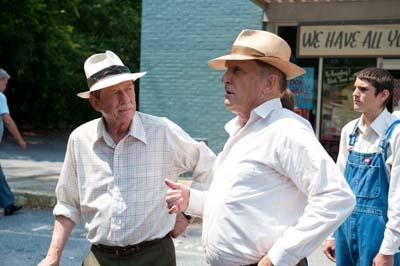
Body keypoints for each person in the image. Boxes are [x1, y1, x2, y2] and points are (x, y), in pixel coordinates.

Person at [165, 29, 355, 266]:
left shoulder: (286, 130)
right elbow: (240, 203)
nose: (224, 78)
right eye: (227, 69)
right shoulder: (244, 130)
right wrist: (190, 198)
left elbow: (336, 197)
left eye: (237, 70)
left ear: (269, 83)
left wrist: (278, 258)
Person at [39, 51, 215, 266]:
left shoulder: (162, 131)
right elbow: (67, 203)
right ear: (95, 102)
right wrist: (53, 256)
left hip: (154, 257)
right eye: (115, 92)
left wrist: (187, 212)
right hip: (99, 258)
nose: (126, 99)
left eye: (129, 89)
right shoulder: (80, 139)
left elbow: (210, 167)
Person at [324, 68, 400, 266]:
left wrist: (388, 249)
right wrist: (332, 233)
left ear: (384, 95)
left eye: (363, 89)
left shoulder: (395, 134)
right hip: (345, 231)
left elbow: (398, 197)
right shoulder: (349, 131)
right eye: (355, 88)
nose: (355, 94)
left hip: (379, 234)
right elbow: (338, 185)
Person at [0, 68, 26, 215]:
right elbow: (8, 120)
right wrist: (19, 139)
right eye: (4, 81)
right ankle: (8, 204)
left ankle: (8, 203)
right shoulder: (0, 97)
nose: (6, 85)